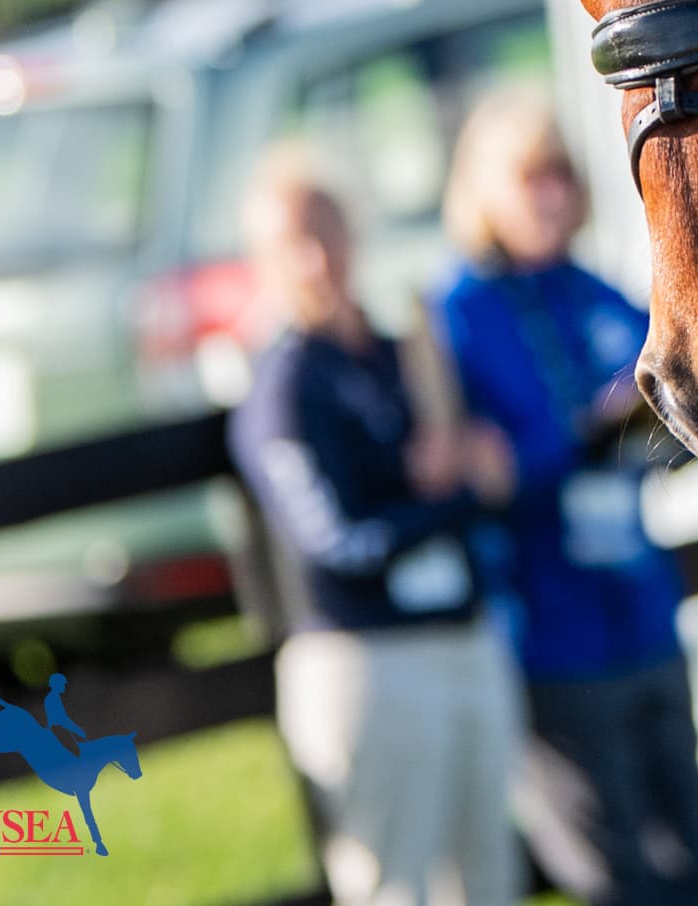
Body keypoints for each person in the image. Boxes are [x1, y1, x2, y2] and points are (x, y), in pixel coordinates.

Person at [435, 91, 698, 906]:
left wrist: (658, 432)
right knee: (616, 878)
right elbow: (480, 477)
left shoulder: (599, 292)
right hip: (549, 639)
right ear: (484, 191)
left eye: (560, 173)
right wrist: (579, 431)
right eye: (529, 177)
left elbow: (685, 410)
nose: (550, 194)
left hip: (644, 613)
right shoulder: (459, 314)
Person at [228, 151, 522, 906]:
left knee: (490, 878)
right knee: (397, 887)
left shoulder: (404, 353)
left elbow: (486, 459)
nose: (317, 258)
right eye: (292, 242)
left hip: (466, 638)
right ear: (263, 261)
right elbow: (336, 546)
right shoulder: (286, 388)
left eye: (328, 231)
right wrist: (457, 498)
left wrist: (475, 463)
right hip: (370, 663)